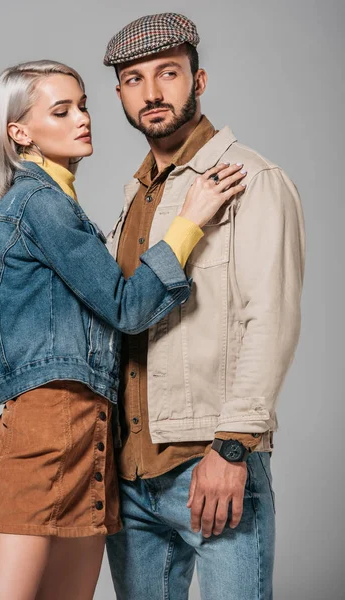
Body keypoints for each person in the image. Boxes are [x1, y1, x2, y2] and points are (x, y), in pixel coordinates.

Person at [0, 60, 245, 600]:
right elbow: (128, 307)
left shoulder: (62, 208)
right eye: (62, 110)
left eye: (85, 104)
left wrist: (51, 356)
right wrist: (191, 220)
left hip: (94, 435)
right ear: (19, 132)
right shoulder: (37, 203)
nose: (83, 118)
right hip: (45, 436)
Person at [103, 13, 305, 600]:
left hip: (210, 464)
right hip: (131, 476)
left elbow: (270, 318)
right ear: (120, 93)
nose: (153, 92)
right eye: (135, 79)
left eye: (168, 73)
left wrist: (233, 445)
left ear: (200, 79)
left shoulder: (252, 179)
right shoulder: (133, 195)